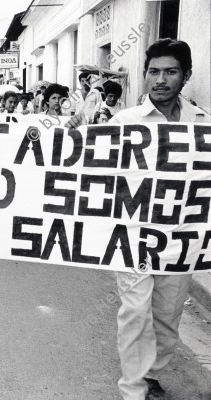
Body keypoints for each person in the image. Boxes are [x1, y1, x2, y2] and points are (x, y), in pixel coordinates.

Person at [108, 39, 210, 400]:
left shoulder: (204, 125)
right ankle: (133, 390)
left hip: (181, 238)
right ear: (145, 75)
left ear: (186, 76)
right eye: (154, 72)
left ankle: (151, 375)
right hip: (133, 236)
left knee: (167, 316)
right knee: (135, 311)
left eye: (171, 72)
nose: (161, 80)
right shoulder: (123, 123)